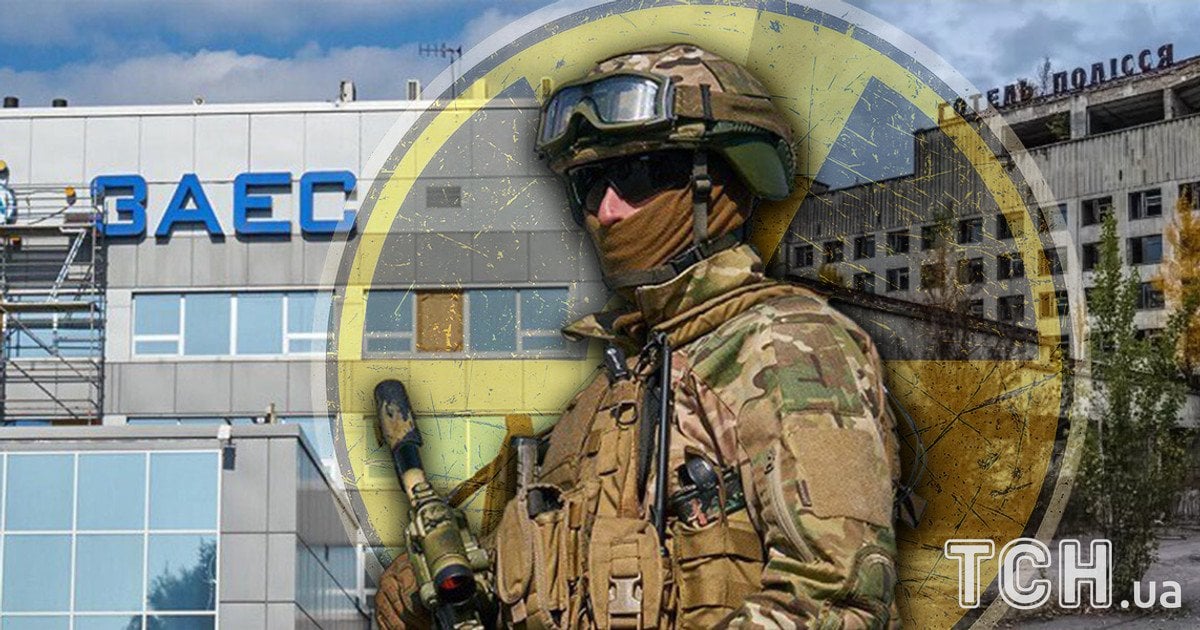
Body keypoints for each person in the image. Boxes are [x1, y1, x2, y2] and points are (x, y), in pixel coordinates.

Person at [376, 43, 900, 629]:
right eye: (589, 183)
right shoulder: (604, 398)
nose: (606, 210)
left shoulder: (786, 346)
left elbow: (835, 599)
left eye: (637, 174)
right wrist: (448, 589)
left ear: (716, 179)